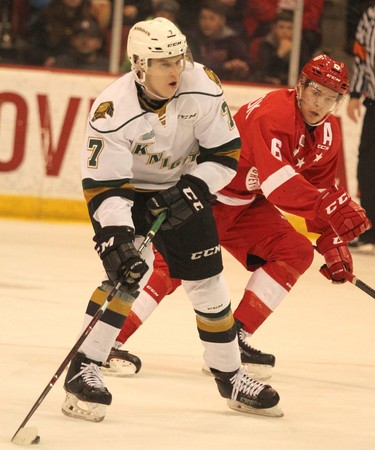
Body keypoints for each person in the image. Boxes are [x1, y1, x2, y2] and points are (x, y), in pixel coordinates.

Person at [62, 17, 283, 423]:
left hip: (183, 187)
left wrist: (195, 188)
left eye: (179, 59)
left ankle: (229, 374)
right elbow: (104, 186)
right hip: (127, 194)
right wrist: (115, 236)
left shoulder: (202, 85)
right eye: (163, 62)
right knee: (125, 275)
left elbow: (225, 155)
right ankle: (84, 366)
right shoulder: (112, 110)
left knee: (209, 281)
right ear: (139, 65)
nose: (175, 70)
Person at [101, 54, 371, 382]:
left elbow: (320, 189)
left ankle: (231, 343)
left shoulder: (328, 135)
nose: (320, 103)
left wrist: (331, 242)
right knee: (168, 269)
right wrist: (326, 206)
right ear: (300, 86)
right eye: (316, 91)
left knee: (294, 251)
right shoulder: (274, 112)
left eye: (331, 98)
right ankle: (106, 343)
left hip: (244, 205)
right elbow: (279, 185)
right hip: (201, 195)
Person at [346, 4, 375, 252]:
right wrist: (355, 93)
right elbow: (361, 56)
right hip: (374, 103)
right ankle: (368, 229)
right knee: (367, 164)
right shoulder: (370, 14)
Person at [186, 0, 251, 82]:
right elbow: (194, 64)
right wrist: (225, 66)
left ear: (222, 20)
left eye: (212, 18)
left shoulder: (231, 39)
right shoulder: (193, 38)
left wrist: (242, 66)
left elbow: (248, 62)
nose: (207, 23)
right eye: (203, 18)